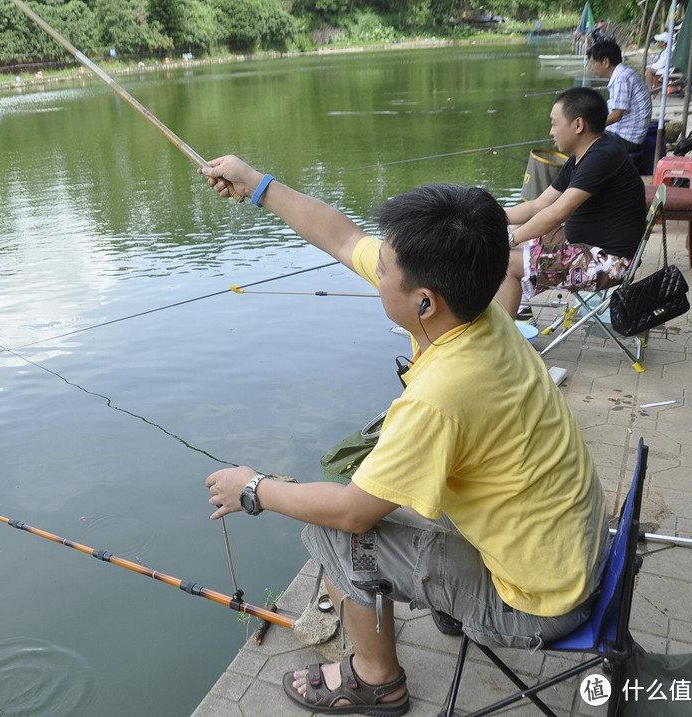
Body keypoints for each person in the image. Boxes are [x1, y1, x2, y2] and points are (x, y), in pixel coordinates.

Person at [200, 157, 608, 715]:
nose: (374, 268)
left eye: (385, 266)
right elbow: (344, 238)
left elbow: (352, 513)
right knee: (375, 496)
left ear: (423, 301)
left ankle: (375, 681)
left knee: (330, 531)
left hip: (539, 602)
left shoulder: (442, 393)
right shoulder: (482, 313)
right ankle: (441, 602)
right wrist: (258, 186)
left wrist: (253, 489)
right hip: (570, 552)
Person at [498, 86, 646, 317]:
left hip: (610, 262)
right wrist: (490, 217)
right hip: (583, 246)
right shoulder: (581, 157)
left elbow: (558, 212)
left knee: (506, 261)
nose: (551, 131)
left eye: (555, 123)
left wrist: (509, 240)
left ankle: (501, 346)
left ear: (578, 125)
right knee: (510, 231)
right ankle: (521, 308)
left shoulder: (602, 156)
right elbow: (539, 204)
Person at [586, 39, 653, 153]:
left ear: (605, 62)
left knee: (582, 140)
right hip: (623, 135)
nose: (592, 67)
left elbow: (616, 115)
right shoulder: (623, 74)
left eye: (593, 62)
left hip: (627, 139)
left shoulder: (622, 78)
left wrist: (592, 126)